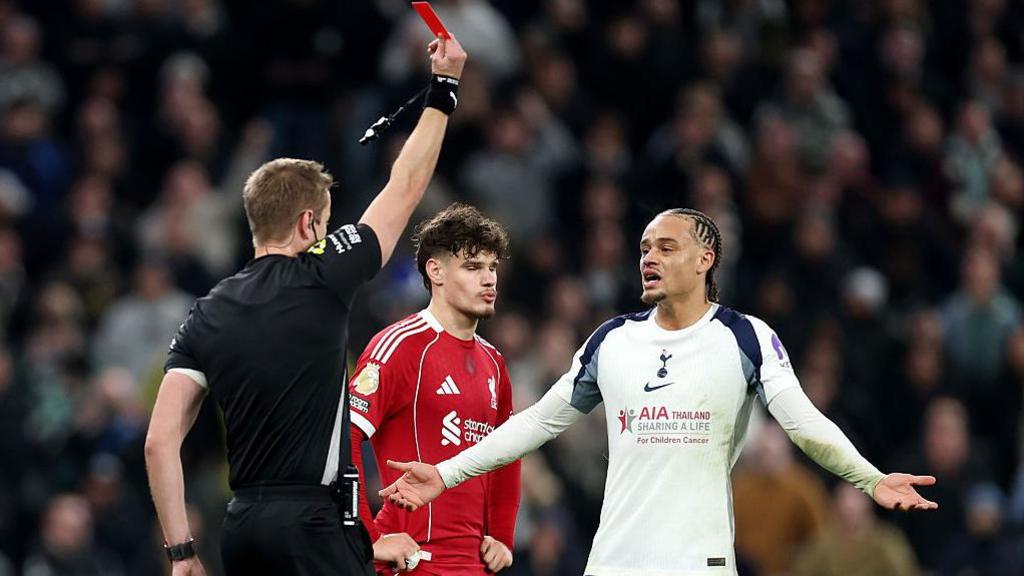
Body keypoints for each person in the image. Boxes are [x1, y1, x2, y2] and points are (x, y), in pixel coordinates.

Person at [379, 208, 939, 576]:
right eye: (645, 247)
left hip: (700, 561)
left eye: (666, 248)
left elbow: (802, 423)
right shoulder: (613, 340)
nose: (649, 258)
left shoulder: (745, 337)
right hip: (613, 561)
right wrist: (447, 473)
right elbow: (537, 422)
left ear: (705, 259)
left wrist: (869, 477)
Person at [143, 35, 468, 576]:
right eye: (325, 218)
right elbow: (406, 185)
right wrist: (445, 88)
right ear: (308, 225)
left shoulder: (206, 311)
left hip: (242, 527)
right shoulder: (323, 274)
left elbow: (159, 442)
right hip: (315, 526)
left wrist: (181, 553)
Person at [349, 203, 520, 574]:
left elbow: (509, 452)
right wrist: (365, 536)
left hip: (475, 566)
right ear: (436, 270)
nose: (489, 279)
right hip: (414, 563)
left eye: (492, 267)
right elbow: (343, 438)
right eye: (473, 267)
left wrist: (503, 536)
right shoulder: (399, 346)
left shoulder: (494, 362)